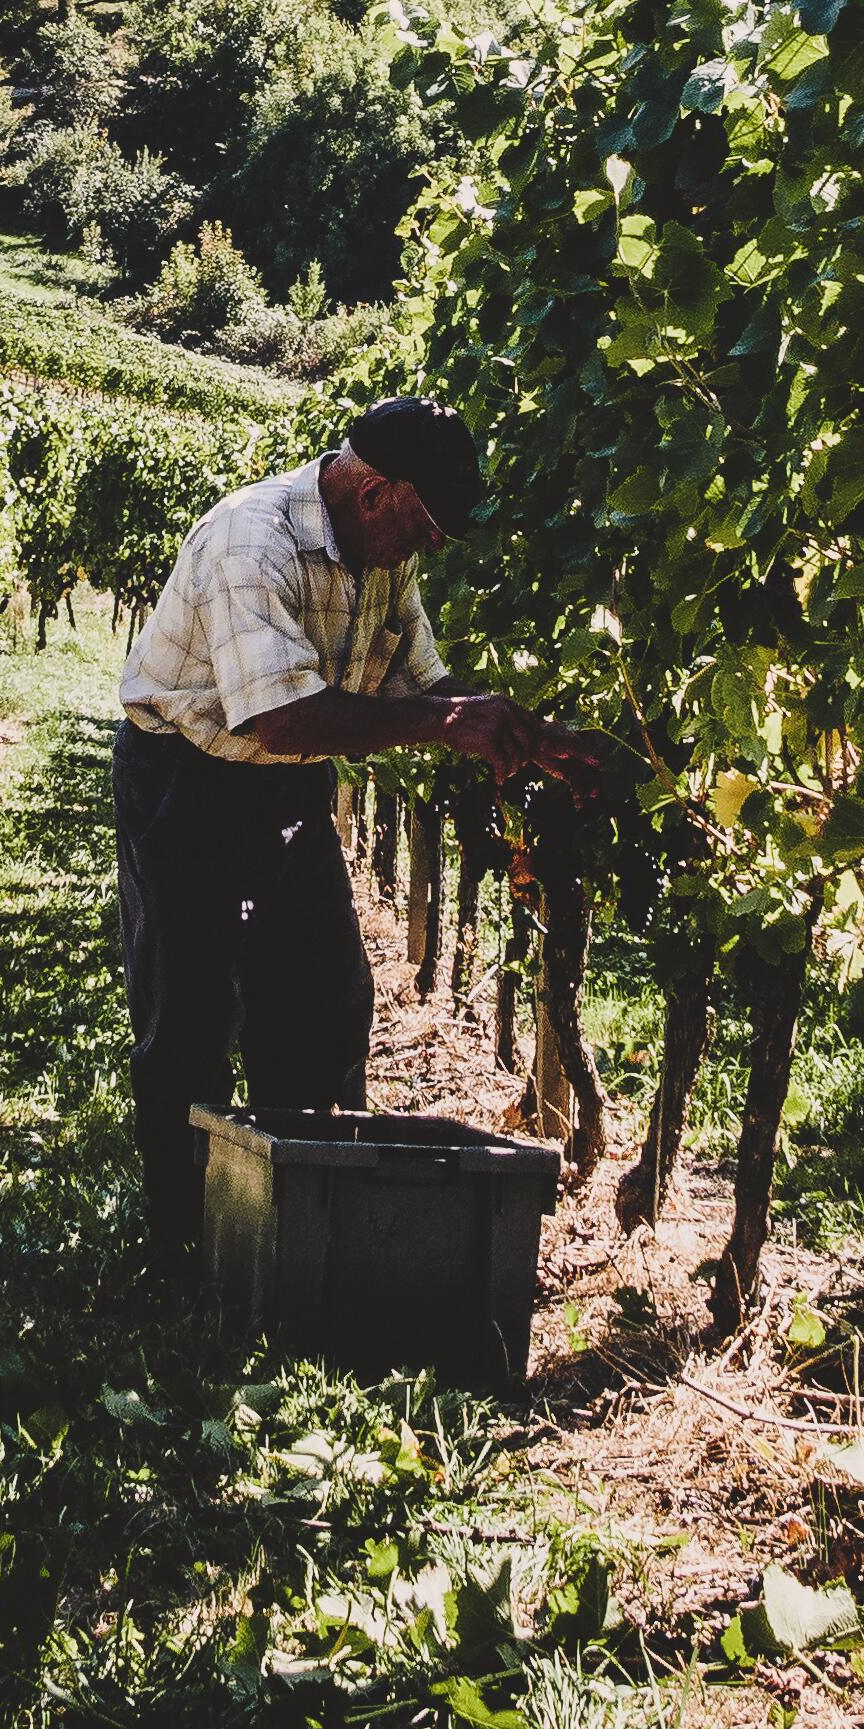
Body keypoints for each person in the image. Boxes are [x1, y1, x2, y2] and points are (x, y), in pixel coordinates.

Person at [113, 395, 596, 1265]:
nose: (427, 548)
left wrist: (530, 736)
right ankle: (187, 1244)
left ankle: (296, 1218)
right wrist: (446, 724)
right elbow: (285, 722)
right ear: (377, 493)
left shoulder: (383, 556)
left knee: (323, 1000)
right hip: (185, 779)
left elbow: (425, 684)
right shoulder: (251, 541)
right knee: (190, 1013)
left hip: (285, 788)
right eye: (423, 526)